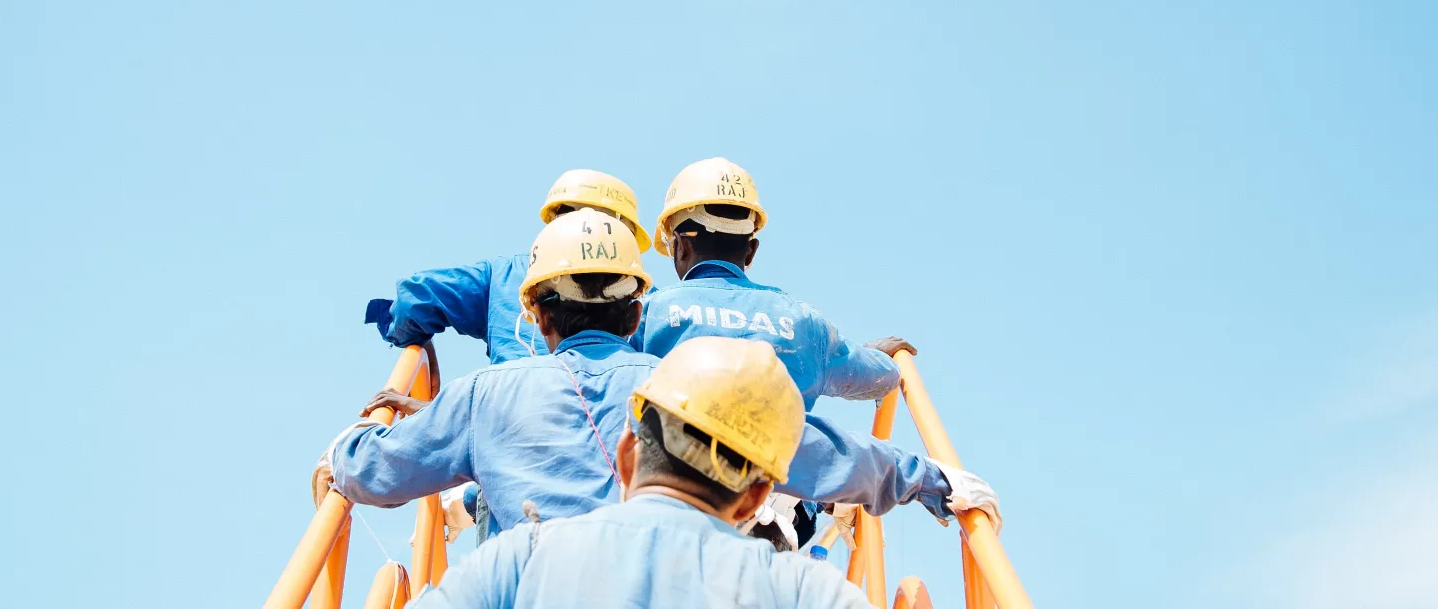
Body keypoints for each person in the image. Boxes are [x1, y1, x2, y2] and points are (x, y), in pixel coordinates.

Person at [316, 211, 991, 539]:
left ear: (537, 313)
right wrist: (930, 479)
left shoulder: (483, 397)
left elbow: (372, 473)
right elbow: (818, 452)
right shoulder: (688, 389)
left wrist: (358, 436)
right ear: (637, 304)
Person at [410, 337, 1001, 609]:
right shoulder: (806, 591)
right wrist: (928, 478)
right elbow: (837, 448)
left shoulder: (522, 556)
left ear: (624, 454)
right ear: (758, 497)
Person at [635, 157, 923, 547]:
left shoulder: (647, 313)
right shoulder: (804, 322)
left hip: (668, 512)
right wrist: (881, 357)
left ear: (680, 246)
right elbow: (877, 379)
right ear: (750, 250)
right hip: (773, 513)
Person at [364, 168, 651, 366]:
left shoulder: (501, 278)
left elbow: (414, 300)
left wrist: (416, 340)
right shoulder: (644, 298)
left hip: (506, 430)